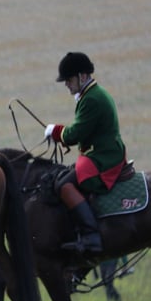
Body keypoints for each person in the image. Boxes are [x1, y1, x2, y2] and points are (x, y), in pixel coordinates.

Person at [44, 51, 128, 253]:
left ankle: (91, 236)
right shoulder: (92, 94)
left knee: (65, 185)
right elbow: (84, 131)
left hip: (104, 157)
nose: (66, 84)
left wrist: (55, 131)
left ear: (82, 76)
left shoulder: (92, 99)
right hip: (100, 151)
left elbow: (74, 134)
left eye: (68, 80)